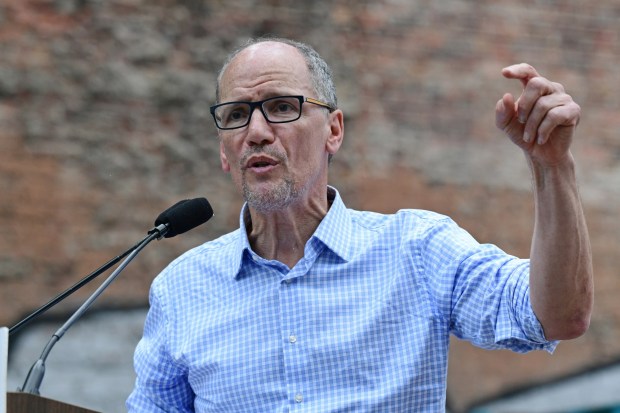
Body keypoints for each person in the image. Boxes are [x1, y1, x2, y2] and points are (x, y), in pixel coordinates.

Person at [127, 37, 593, 412]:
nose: (256, 131)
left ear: (333, 130)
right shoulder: (181, 290)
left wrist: (552, 167)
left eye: (282, 107)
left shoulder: (417, 249)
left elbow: (556, 315)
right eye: (235, 115)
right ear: (223, 151)